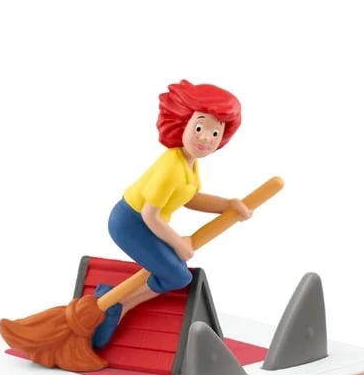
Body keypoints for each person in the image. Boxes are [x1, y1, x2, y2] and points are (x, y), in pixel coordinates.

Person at [92, 79, 252, 349]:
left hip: (146, 224)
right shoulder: (172, 166)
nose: (206, 138)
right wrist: (178, 243)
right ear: (182, 123)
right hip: (130, 223)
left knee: (173, 273)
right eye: (199, 128)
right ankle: (118, 304)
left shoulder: (188, 163)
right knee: (178, 276)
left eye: (215, 133)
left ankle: (116, 302)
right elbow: (150, 215)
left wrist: (229, 204)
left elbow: (191, 198)